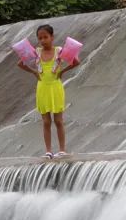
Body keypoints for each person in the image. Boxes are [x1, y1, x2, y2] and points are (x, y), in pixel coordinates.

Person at [16, 24, 80, 158]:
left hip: (55, 87)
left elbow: (76, 62)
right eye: (40, 38)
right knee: (46, 121)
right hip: (42, 88)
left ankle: (62, 150)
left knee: (58, 120)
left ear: (52, 37)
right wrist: (34, 72)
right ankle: (48, 151)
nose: (43, 40)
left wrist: (62, 71)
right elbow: (20, 64)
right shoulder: (36, 52)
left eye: (45, 37)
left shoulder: (59, 51)